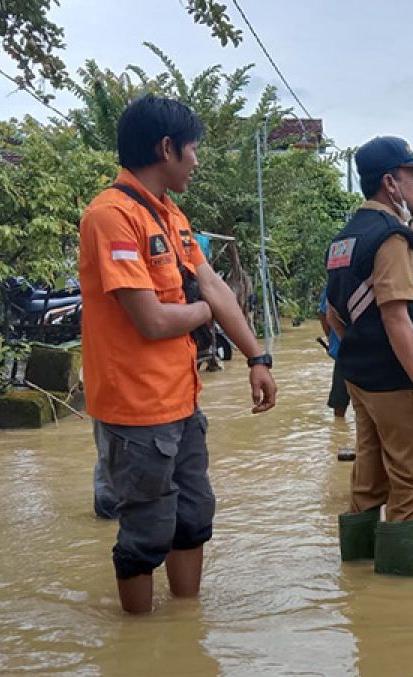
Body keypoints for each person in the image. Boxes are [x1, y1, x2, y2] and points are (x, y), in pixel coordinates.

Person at [79, 95, 278, 614]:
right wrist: (205, 313)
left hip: (182, 400)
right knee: (146, 531)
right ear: (166, 148)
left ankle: (186, 627)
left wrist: (258, 358)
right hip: (135, 408)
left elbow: (216, 287)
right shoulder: (111, 216)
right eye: (192, 149)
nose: (196, 160)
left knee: (192, 518)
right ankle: (141, 648)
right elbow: (152, 321)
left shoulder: (171, 217)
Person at [324, 136, 413, 576]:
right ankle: (399, 604)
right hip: (395, 381)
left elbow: (334, 315)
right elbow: (397, 317)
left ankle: (357, 582)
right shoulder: (391, 237)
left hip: (360, 377)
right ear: (390, 183)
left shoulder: (344, 238)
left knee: (369, 476)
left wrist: (360, 349)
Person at [318, 286, 349, 419]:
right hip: (346, 353)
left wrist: (331, 340)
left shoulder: (336, 282)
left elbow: (323, 314)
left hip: (342, 352)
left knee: (339, 406)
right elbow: (324, 314)